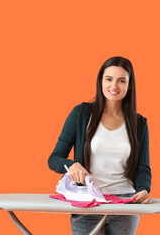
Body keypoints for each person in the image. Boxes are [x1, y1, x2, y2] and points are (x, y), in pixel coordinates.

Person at [48, 56, 151, 235]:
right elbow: (54, 159)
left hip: (125, 205)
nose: (114, 86)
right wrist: (71, 165)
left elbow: (143, 167)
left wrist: (144, 189)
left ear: (130, 85)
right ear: (100, 81)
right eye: (109, 79)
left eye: (121, 81)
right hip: (88, 203)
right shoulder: (80, 114)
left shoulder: (139, 123)